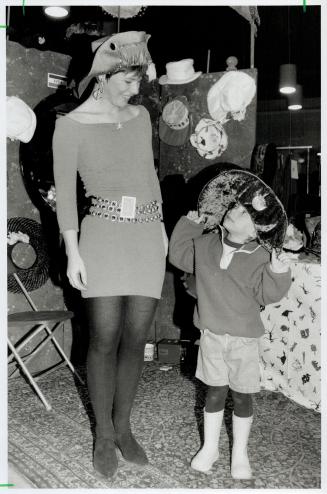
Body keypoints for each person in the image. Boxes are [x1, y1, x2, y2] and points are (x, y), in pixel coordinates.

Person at [53, 31, 167, 478]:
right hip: (101, 234)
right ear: (104, 77)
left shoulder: (140, 117)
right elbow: (65, 197)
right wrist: (72, 253)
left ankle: (123, 427)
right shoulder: (70, 125)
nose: (135, 90)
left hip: (143, 237)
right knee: (103, 338)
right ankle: (103, 433)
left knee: (136, 340)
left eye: (138, 82)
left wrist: (158, 227)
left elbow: (148, 175)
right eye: (127, 82)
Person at [169, 168, 295, 479]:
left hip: (244, 341)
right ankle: (210, 448)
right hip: (211, 336)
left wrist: (278, 271)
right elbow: (179, 256)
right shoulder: (206, 244)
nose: (233, 210)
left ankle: (239, 453)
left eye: (243, 212)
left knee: (242, 396)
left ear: (256, 231)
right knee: (213, 392)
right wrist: (189, 224)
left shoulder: (260, 256)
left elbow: (270, 293)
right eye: (235, 206)